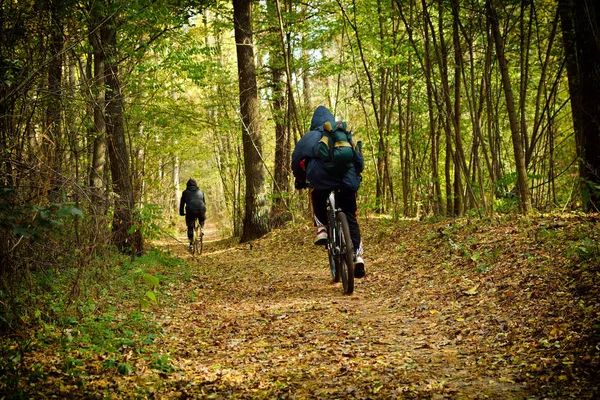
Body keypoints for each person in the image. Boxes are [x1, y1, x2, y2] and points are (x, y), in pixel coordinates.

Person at [291, 106, 366, 278]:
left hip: (322, 181)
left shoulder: (309, 137)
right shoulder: (345, 133)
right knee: (350, 216)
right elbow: (359, 159)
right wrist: (357, 174)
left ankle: (322, 229)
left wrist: (300, 180)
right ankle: (358, 257)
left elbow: (296, 161)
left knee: (317, 195)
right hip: (347, 180)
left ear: (314, 123)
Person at [179, 178, 207, 251]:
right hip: (201, 209)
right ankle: (202, 228)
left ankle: (191, 244)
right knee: (202, 219)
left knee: (190, 226)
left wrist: (181, 212)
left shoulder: (185, 192)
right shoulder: (201, 192)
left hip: (190, 211)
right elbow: (204, 202)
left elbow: (182, 204)